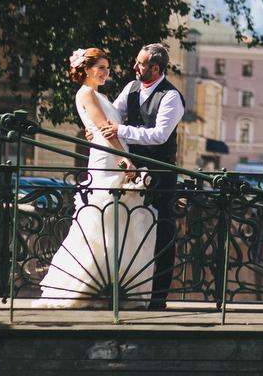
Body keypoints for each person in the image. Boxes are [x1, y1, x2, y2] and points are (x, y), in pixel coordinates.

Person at [32, 48, 156, 308]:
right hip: (106, 161)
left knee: (116, 220)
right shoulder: (86, 93)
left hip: (110, 157)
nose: (105, 73)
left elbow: (101, 129)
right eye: (100, 67)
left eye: (107, 69)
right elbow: (104, 130)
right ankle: (88, 284)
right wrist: (125, 160)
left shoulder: (99, 95)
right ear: (86, 69)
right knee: (100, 220)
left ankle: (109, 283)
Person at [99, 43, 185, 310]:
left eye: (141, 63)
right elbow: (114, 113)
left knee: (161, 234)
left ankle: (157, 298)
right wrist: (99, 128)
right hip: (132, 170)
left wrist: (121, 130)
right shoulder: (131, 88)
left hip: (160, 174)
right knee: (131, 231)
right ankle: (132, 292)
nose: (135, 67)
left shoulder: (171, 97)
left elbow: (159, 135)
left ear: (155, 68)